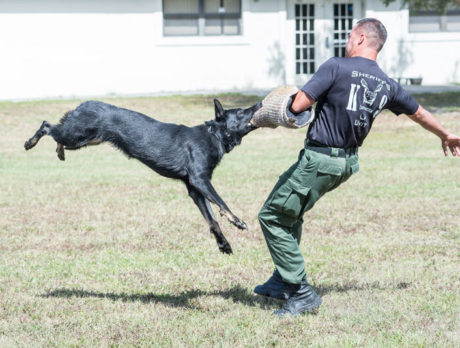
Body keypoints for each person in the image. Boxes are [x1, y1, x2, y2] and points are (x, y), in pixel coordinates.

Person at [254, 18, 460, 317]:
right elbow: (419, 113)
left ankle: (300, 291)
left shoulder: (335, 66)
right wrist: (445, 134)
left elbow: (298, 105)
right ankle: (281, 279)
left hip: (320, 160)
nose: (347, 42)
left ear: (361, 37)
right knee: (291, 212)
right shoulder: (388, 84)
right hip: (346, 163)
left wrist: (282, 103)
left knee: (272, 216)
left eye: (350, 37)